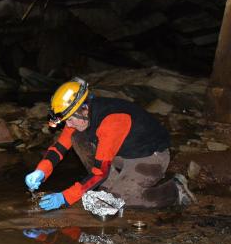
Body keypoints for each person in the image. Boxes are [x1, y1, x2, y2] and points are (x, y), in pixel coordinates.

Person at [25, 77, 197, 210]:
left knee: (120, 201)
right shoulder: (80, 117)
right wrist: (41, 171)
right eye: (65, 121)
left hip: (149, 157)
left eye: (70, 120)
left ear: (84, 108)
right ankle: (109, 185)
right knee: (76, 137)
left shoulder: (111, 121)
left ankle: (175, 190)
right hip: (121, 151)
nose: (68, 125)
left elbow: (99, 172)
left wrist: (65, 197)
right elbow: (59, 147)